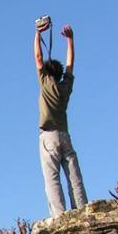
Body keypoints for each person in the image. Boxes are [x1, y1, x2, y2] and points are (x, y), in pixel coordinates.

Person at [34, 20, 88, 217]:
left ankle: (59, 215)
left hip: (48, 136)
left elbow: (38, 57)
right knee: (74, 174)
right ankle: (81, 208)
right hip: (65, 135)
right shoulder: (65, 87)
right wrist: (70, 40)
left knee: (52, 177)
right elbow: (70, 65)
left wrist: (38, 34)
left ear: (48, 73)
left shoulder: (46, 82)